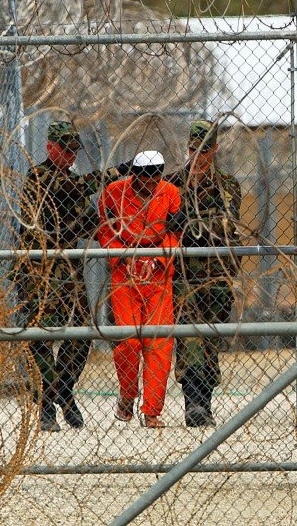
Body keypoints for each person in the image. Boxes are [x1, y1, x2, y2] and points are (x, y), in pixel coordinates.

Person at [17, 120, 109, 432]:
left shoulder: (71, 180)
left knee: (81, 336)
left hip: (70, 273)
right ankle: (46, 403)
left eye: (74, 151)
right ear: (49, 147)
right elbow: (72, 191)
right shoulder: (39, 177)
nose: (70, 156)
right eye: (65, 150)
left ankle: (63, 390)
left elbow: (89, 223)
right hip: (39, 272)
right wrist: (114, 173)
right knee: (42, 337)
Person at [97, 150, 183, 429]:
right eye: (142, 180)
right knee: (129, 339)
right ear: (134, 175)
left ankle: (152, 411)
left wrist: (157, 259)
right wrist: (126, 256)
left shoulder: (170, 193)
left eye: (153, 180)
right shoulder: (114, 192)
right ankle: (127, 394)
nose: (148, 186)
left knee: (159, 342)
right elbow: (106, 230)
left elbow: (175, 233)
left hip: (158, 275)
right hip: (125, 272)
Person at [167, 119, 242, 428]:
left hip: (215, 272)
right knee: (188, 336)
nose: (198, 156)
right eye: (193, 149)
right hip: (183, 273)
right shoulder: (173, 183)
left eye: (204, 150)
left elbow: (227, 224)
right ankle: (193, 402)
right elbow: (163, 224)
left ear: (215, 149)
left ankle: (204, 400)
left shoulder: (226, 184)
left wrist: (190, 225)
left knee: (208, 337)